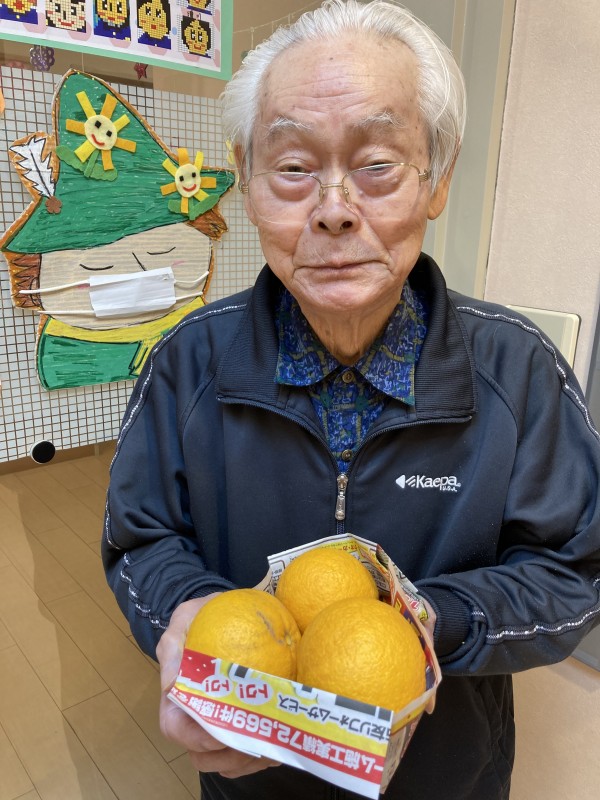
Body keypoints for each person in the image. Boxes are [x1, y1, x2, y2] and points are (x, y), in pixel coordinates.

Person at [102, 1, 600, 798]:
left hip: (446, 778)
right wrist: (190, 613)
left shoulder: (518, 369)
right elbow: (141, 540)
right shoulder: (186, 363)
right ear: (248, 182)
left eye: (377, 164)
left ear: (437, 178)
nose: (333, 209)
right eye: (293, 167)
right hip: (254, 775)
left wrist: (434, 619)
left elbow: (578, 572)